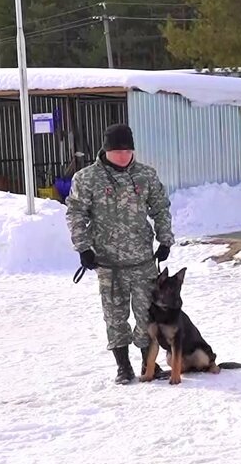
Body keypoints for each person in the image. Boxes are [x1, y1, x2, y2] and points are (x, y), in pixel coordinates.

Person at [66, 123, 175, 384]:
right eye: (118, 152)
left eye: (128, 151)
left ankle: (149, 363)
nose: (124, 156)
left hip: (143, 261)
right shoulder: (87, 178)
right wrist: (83, 248)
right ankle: (123, 366)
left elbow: (160, 208)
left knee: (147, 314)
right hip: (108, 263)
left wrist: (165, 240)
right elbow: (76, 213)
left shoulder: (146, 175)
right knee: (115, 316)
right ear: (106, 150)